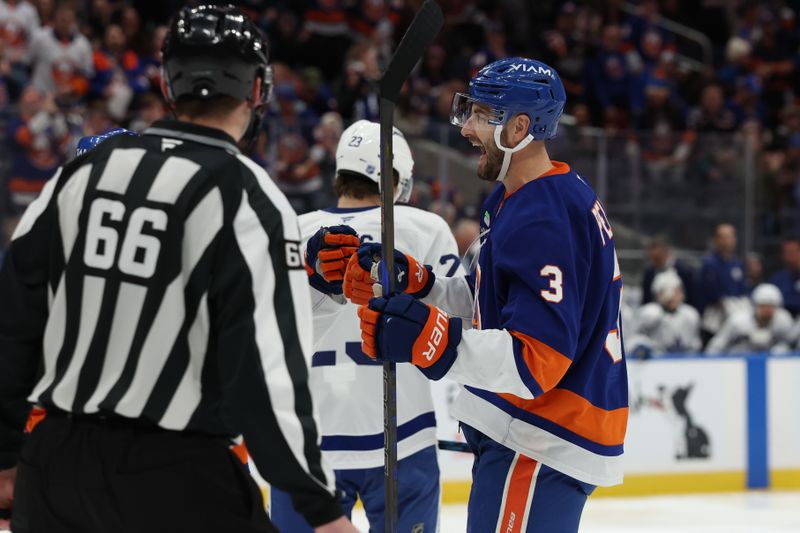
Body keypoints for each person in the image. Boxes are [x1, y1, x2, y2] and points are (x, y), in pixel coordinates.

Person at [0, 5, 357, 533]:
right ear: (257, 92)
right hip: (177, 478)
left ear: (169, 83)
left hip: (53, 468)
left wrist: (7, 454)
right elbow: (265, 373)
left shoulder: (84, 173)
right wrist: (322, 508)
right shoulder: (247, 196)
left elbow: (12, 322)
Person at [350, 58, 628, 532]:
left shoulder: (545, 214)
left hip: (542, 435)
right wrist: (426, 287)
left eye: (480, 114)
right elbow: (491, 307)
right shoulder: (520, 196)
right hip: (529, 431)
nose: (465, 129)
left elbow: (537, 360)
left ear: (519, 127)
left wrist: (428, 340)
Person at [270, 119, 464, 531]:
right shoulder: (422, 227)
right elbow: (460, 320)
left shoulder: (292, 230)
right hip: (403, 434)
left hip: (308, 440)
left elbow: (269, 331)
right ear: (397, 176)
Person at [706, 283, 795, 355]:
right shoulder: (738, 321)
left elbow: (791, 343)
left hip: (773, 364)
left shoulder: (783, 320)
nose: (767, 310)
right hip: (738, 362)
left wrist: (780, 350)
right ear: (755, 306)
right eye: (763, 306)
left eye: (771, 306)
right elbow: (717, 345)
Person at [630, 270, 701, 356]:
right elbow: (633, 339)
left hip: (684, 363)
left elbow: (695, 345)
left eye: (676, 291)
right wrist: (641, 346)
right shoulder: (648, 313)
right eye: (666, 291)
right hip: (654, 363)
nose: (673, 295)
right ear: (657, 294)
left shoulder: (691, 314)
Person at [698, 223, 750, 337]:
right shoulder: (709, 264)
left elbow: (743, 290)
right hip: (715, 318)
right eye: (722, 237)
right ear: (716, 240)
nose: (726, 241)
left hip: (737, 313)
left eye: (729, 237)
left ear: (734, 239)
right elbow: (710, 293)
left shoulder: (738, 264)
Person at [640, 236, 696, 307]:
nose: (653, 262)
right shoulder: (649, 273)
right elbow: (646, 299)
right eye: (651, 259)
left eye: (657, 258)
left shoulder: (684, 271)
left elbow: (692, 297)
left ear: (667, 253)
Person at [769, 237, 800, 317]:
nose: (789, 255)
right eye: (786, 252)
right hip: (783, 320)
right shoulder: (777, 278)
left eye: (792, 252)